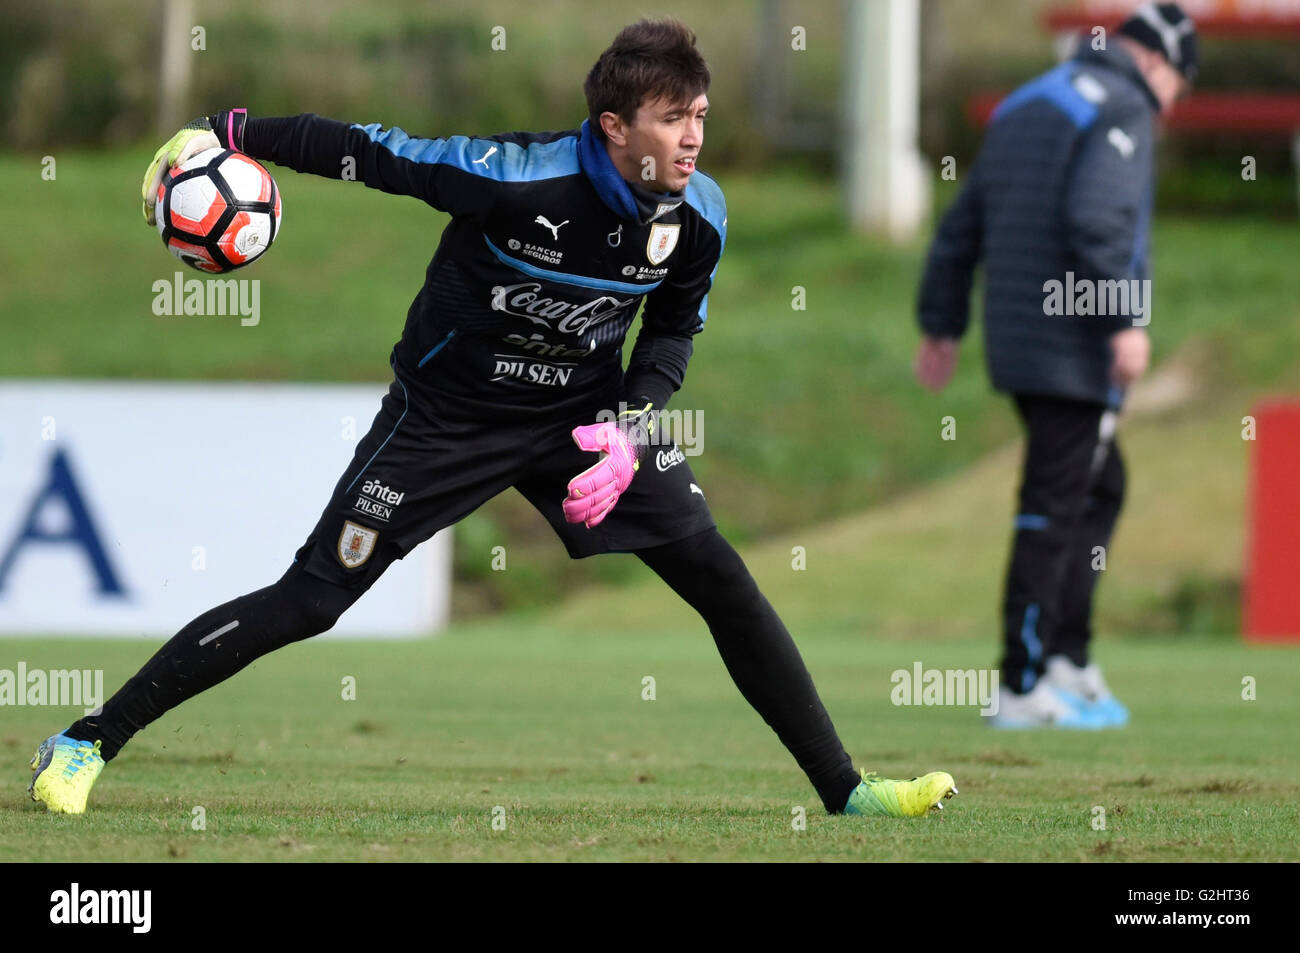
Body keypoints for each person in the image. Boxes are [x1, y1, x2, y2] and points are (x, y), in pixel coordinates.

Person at [30, 19, 955, 818]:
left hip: (581, 417)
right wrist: (230, 130)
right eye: (673, 119)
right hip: (446, 419)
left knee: (720, 575)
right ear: (614, 127)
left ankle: (846, 790)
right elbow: (370, 150)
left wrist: (630, 426)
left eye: (700, 115)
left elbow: (670, 338)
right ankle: (85, 741)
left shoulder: (698, 217)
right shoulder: (514, 179)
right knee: (312, 599)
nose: (693, 137)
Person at [914, 2, 1196, 728]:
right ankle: (1021, 683)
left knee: (1100, 486)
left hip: (1017, 335)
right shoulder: (1125, 105)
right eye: (1177, 90)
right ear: (1159, 66)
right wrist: (1123, 320)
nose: (1170, 108)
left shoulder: (1031, 99)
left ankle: (1066, 655)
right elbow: (1098, 218)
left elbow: (962, 220)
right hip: (1071, 339)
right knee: (1052, 504)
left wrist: (941, 322)